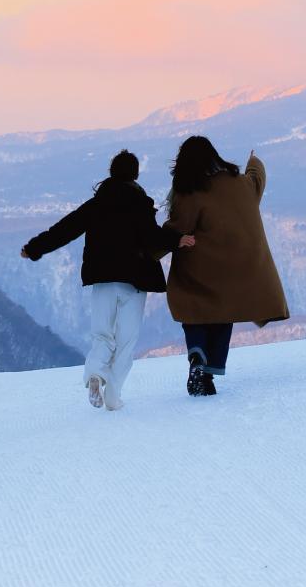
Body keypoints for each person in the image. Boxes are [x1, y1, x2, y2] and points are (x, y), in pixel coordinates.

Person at [21, 149, 195, 410]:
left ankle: (95, 373)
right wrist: (178, 240)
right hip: (135, 282)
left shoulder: (96, 204)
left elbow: (64, 230)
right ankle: (113, 397)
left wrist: (34, 248)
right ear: (135, 174)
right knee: (126, 341)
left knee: (102, 335)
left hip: (102, 279)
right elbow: (153, 237)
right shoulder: (140, 204)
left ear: (111, 172)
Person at [163, 136, 289, 396]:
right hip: (234, 269)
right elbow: (256, 181)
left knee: (193, 310)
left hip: (199, 266)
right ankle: (208, 376)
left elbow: (177, 228)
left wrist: (149, 248)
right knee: (223, 315)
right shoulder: (240, 184)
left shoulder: (190, 191)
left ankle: (197, 355)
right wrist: (253, 161)